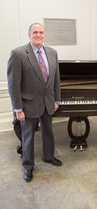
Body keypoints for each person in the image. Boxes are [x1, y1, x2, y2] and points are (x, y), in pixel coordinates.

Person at [7, 23, 62, 182]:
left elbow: (56, 79)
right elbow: (13, 84)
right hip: (28, 105)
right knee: (28, 137)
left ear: (44, 35)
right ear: (29, 35)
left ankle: (48, 156)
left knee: (48, 132)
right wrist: (18, 108)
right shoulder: (18, 54)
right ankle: (28, 166)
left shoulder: (52, 53)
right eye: (35, 32)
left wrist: (56, 99)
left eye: (41, 32)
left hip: (48, 103)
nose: (39, 35)